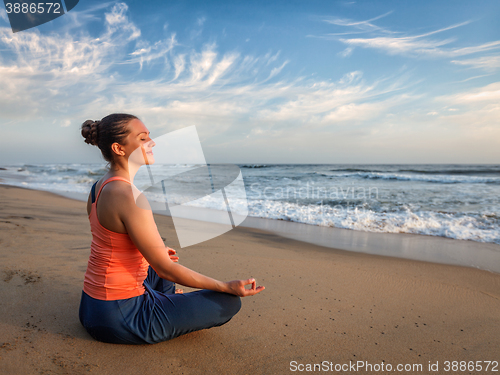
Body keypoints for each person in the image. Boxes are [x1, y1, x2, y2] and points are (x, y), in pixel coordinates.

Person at [79, 113, 264, 344]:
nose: (152, 142)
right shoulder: (129, 195)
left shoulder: (98, 187)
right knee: (228, 301)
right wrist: (225, 286)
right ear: (119, 148)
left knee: (157, 263)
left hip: (90, 307)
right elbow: (166, 270)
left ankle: (166, 301)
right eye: (143, 138)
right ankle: (165, 306)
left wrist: (150, 256)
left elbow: (110, 243)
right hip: (119, 319)